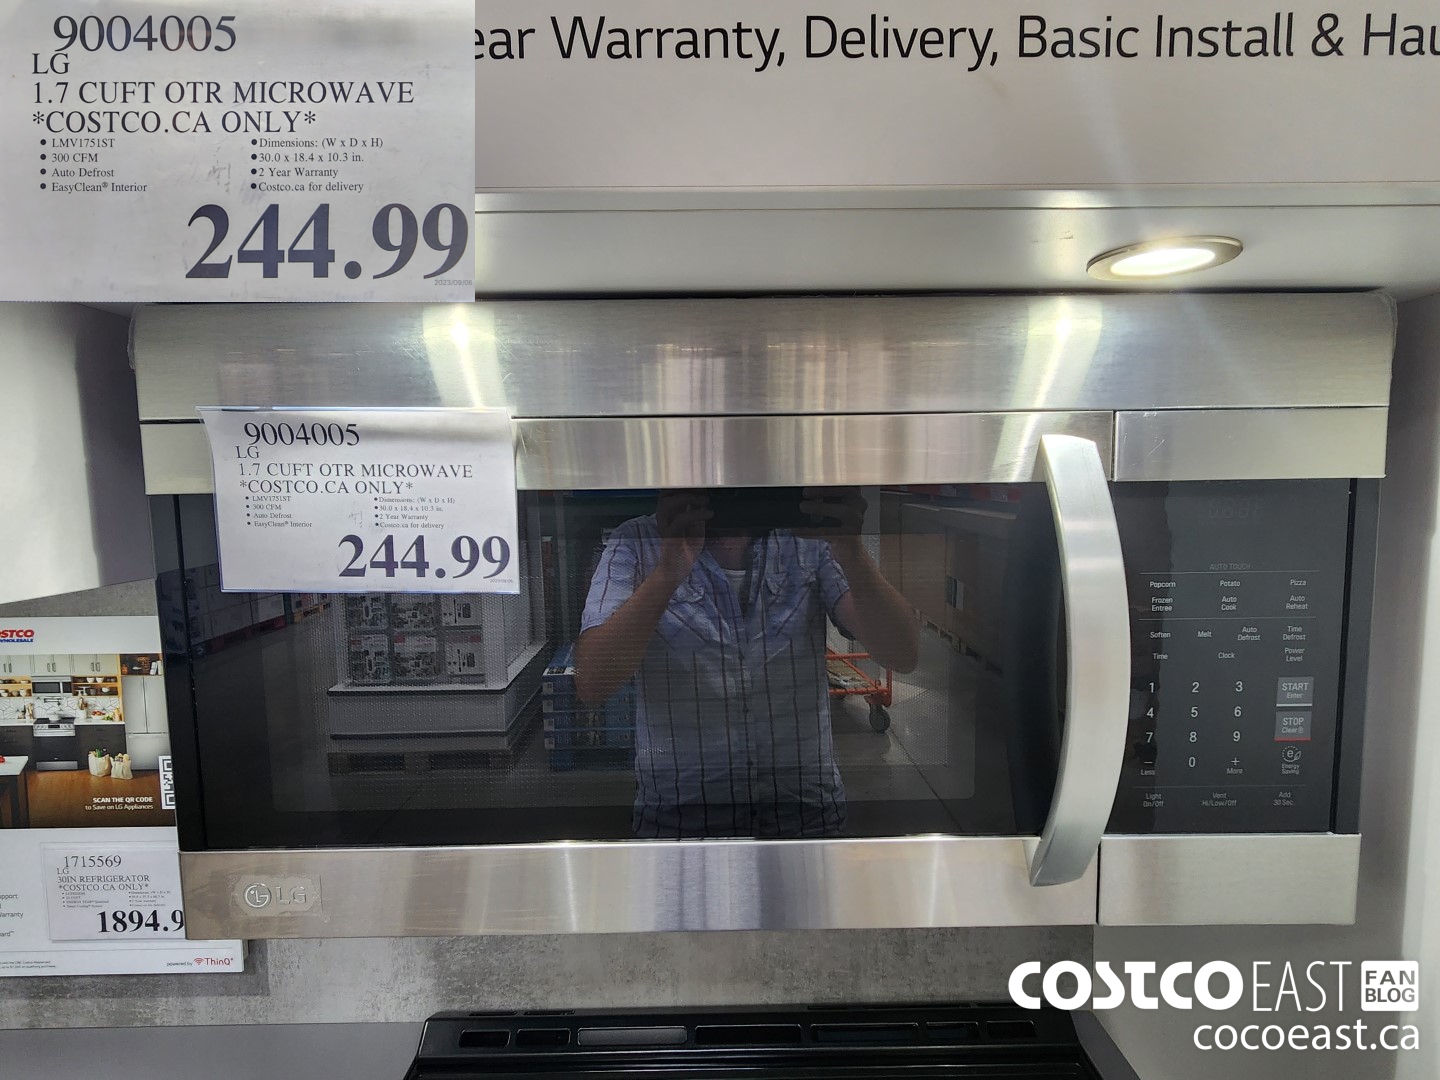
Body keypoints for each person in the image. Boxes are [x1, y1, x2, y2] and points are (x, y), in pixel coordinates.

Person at [575, 488, 918, 839]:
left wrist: (852, 552)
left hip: (805, 821)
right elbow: (592, 683)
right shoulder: (638, 541)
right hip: (681, 826)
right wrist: (667, 574)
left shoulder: (811, 539)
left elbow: (902, 654)